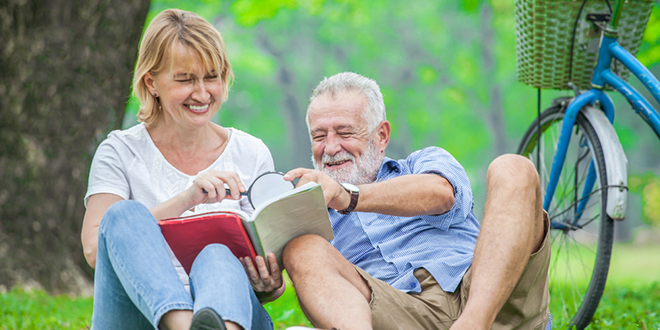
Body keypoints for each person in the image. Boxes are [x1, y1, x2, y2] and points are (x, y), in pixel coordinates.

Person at [280, 72, 551, 330]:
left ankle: (474, 324)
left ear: (381, 136)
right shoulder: (311, 216)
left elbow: (441, 194)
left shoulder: (421, 164)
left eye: (345, 133)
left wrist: (348, 195)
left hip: (490, 297)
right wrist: (267, 281)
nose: (330, 147)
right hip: (397, 312)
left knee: (513, 168)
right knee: (301, 248)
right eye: (319, 136)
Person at [81, 9, 284, 330]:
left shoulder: (251, 152)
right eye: (185, 79)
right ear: (152, 82)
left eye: (211, 77)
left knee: (217, 254)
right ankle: (183, 324)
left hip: (232, 312)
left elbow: (269, 278)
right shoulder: (119, 151)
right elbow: (94, 250)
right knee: (122, 216)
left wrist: (270, 282)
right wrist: (187, 199)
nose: (202, 93)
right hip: (138, 315)